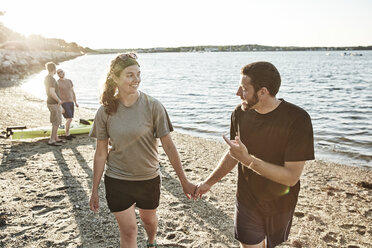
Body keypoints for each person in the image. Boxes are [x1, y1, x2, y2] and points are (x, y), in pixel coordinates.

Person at [195, 62, 314, 248]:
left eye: (244, 89)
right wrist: (208, 183)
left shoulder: (298, 120)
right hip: (247, 199)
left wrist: (248, 161)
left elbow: (291, 177)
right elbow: (233, 154)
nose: (237, 93)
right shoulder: (239, 114)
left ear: (263, 92)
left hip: (281, 203)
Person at [89, 53, 196, 248]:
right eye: (130, 75)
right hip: (117, 180)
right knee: (129, 231)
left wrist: (184, 180)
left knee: (149, 220)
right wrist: (94, 189)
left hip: (148, 179)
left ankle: (152, 241)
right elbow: (101, 153)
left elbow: (169, 146)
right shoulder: (105, 111)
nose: (136, 79)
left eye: (138, 74)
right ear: (115, 78)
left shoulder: (153, 106)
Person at [44, 62, 65, 146]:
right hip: (53, 103)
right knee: (56, 122)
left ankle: (56, 138)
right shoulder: (51, 79)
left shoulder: (47, 78)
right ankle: (52, 140)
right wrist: (59, 100)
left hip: (50, 102)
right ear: (54, 69)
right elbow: (52, 92)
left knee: (55, 121)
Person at [57, 68, 79, 140]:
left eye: (61, 71)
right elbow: (56, 95)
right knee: (69, 118)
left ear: (64, 72)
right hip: (64, 102)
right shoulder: (57, 83)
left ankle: (68, 132)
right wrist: (60, 105)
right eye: (58, 72)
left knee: (69, 118)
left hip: (71, 102)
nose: (60, 73)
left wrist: (75, 102)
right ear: (57, 74)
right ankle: (67, 134)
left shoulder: (69, 81)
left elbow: (72, 92)